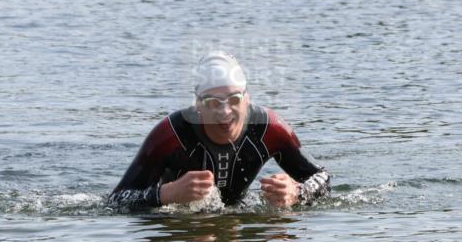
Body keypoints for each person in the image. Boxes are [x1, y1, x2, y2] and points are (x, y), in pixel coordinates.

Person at [108, 51, 331, 211]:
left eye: (234, 99)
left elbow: (323, 178)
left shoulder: (269, 129)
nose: (225, 112)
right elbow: (115, 201)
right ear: (198, 106)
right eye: (213, 102)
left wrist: (298, 193)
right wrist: (166, 195)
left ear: (247, 100)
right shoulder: (170, 135)